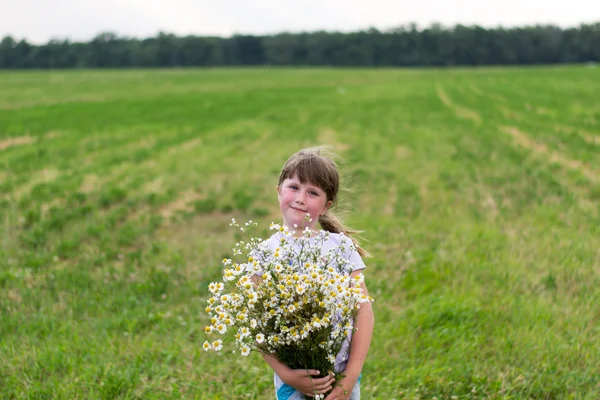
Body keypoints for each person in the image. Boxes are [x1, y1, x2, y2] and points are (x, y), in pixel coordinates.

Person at [260, 146, 375, 400]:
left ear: (326, 205)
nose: (301, 198)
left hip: (342, 377)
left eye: (312, 192)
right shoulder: (264, 254)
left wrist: (351, 376)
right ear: (278, 191)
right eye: (294, 187)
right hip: (295, 381)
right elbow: (260, 327)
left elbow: (363, 311)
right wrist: (287, 375)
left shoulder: (340, 247)